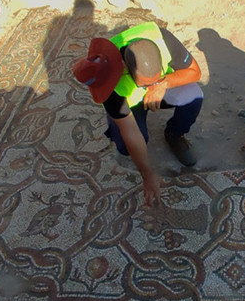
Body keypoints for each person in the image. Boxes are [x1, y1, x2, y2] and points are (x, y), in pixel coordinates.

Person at [73, 22, 204, 206]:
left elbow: (194, 72)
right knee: (126, 146)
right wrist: (147, 174)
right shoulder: (109, 82)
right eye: (144, 84)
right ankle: (123, 117)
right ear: (124, 67)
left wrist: (162, 84)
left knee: (193, 95)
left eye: (154, 79)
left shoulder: (162, 39)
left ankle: (174, 134)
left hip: (161, 88)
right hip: (130, 102)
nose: (149, 87)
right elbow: (131, 133)